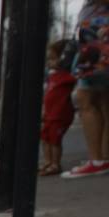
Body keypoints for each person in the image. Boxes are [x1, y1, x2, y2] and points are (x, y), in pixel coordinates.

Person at [63, 0, 109, 178]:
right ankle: (102, 157)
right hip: (97, 43)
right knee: (104, 102)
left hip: (97, 47)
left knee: (85, 98)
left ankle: (97, 159)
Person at [41, 40, 78, 176]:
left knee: (55, 139)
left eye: (53, 58)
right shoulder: (52, 76)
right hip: (50, 114)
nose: (50, 62)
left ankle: (55, 163)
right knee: (45, 138)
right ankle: (47, 161)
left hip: (60, 114)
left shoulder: (68, 77)